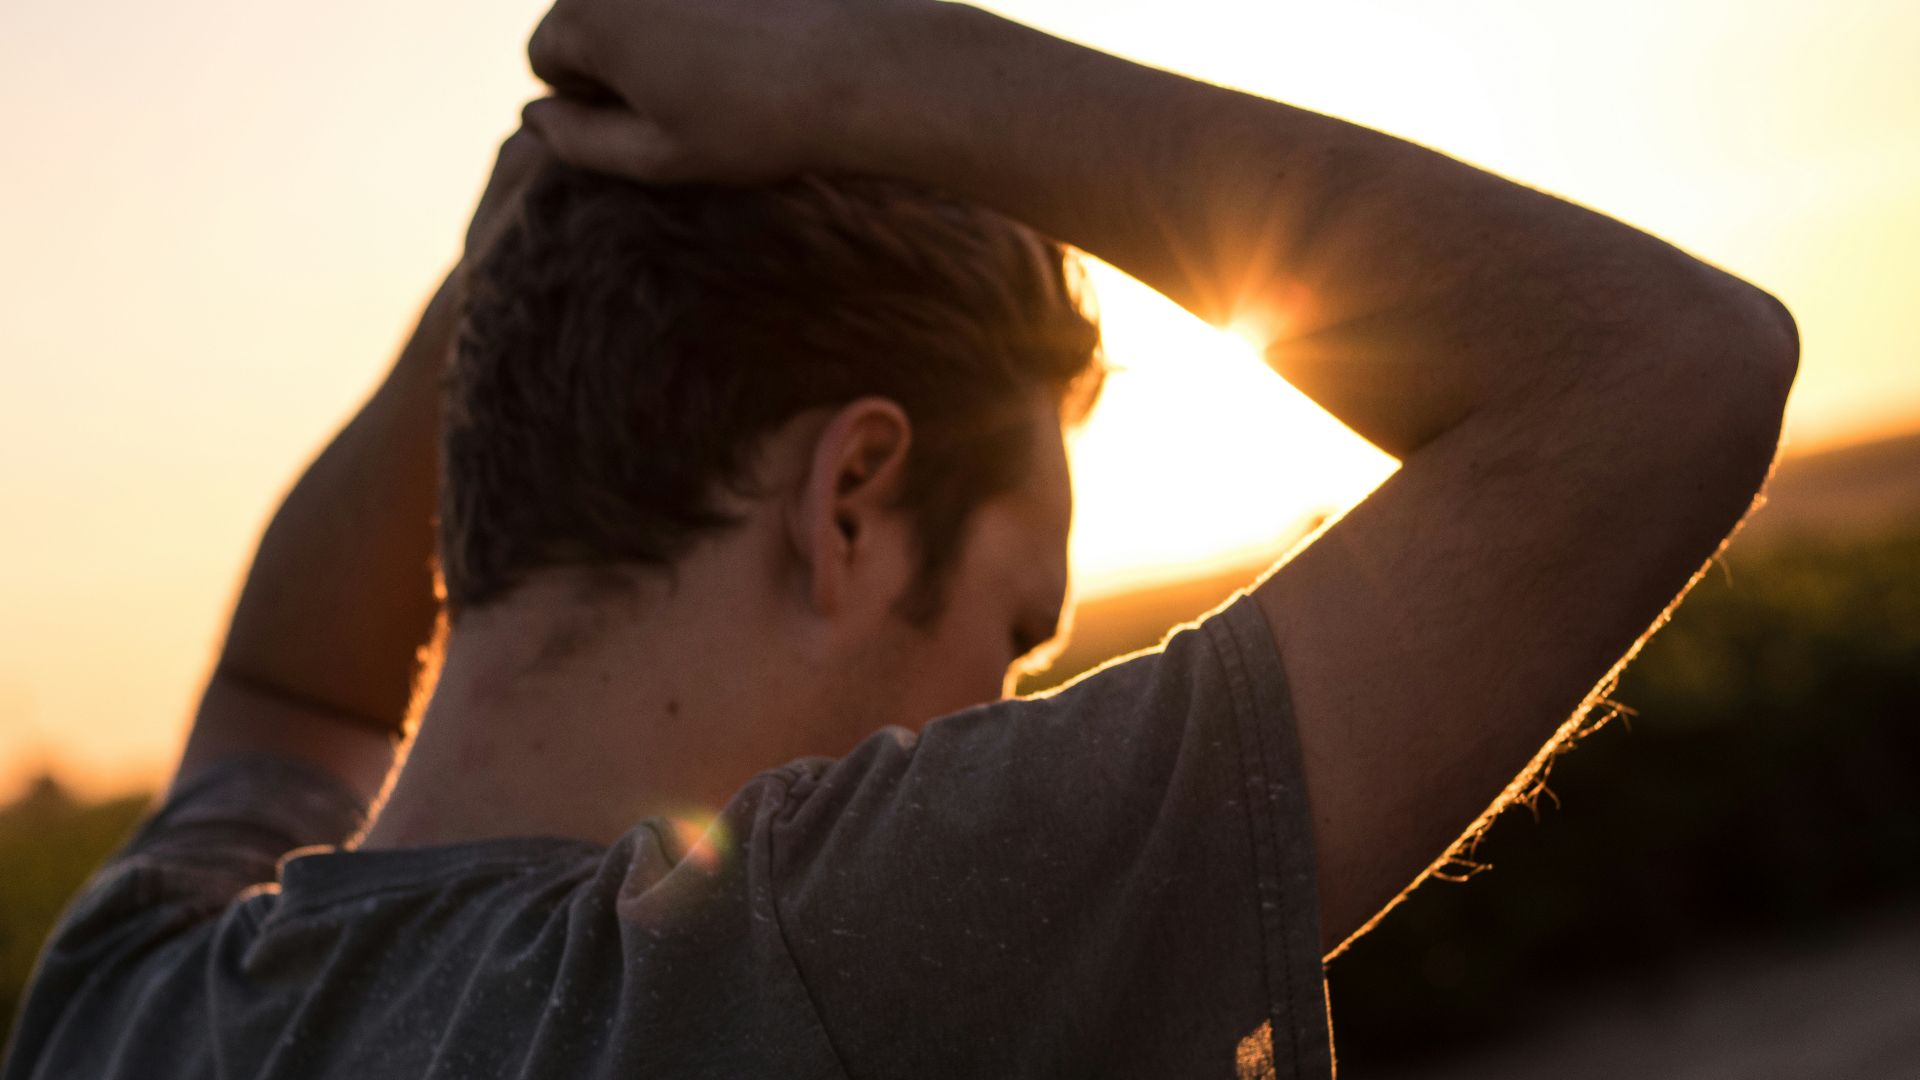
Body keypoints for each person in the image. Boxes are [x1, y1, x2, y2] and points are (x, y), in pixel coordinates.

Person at [2, 0, 1798, 1075]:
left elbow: (280, 688)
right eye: (1017, 630)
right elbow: (1664, 373)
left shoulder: (134, 993)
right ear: (850, 501)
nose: (1000, 705)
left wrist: (511, 250)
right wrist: (862, 61)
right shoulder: (795, 971)